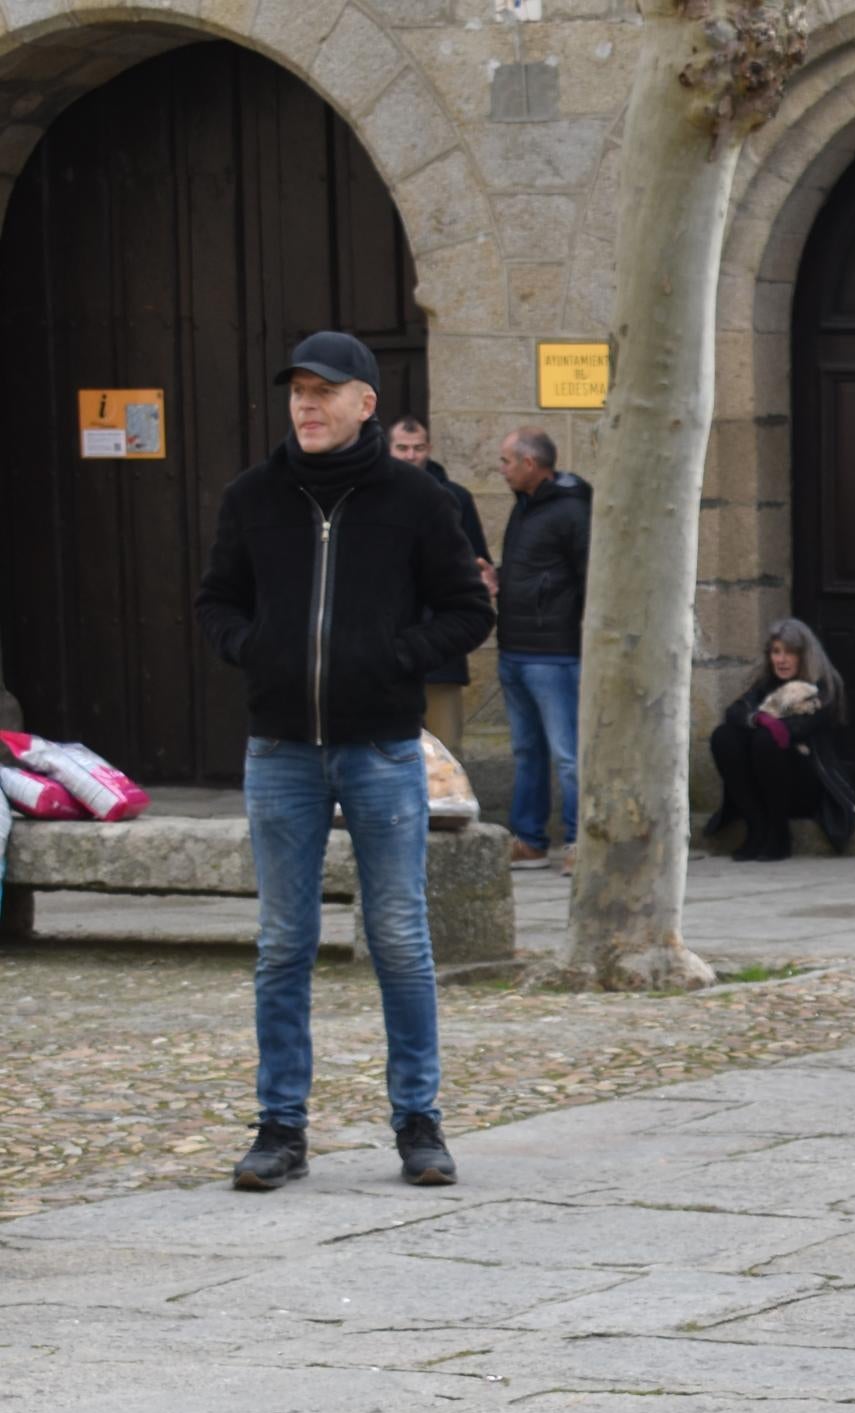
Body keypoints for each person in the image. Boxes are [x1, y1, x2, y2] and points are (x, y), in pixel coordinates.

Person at [195, 331, 492, 1192]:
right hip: (281, 749)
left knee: (399, 938)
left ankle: (419, 1123)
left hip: (381, 750)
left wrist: (393, 659)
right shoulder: (253, 497)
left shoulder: (415, 500)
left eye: (325, 391)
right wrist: (256, 650)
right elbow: (216, 600)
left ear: (366, 403)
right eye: (297, 390)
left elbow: (467, 608)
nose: (307, 404)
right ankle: (280, 1127)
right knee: (284, 943)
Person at [492, 427, 591, 868]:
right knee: (526, 751)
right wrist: (496, 577)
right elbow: (533, 571)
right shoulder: (524, 507)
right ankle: (530, 839)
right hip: (514, 648)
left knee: (567, 755)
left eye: (506, 461)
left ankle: (579, 842)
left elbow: (588, 577)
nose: (502, 469)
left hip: (554, 652)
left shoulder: (572, 511)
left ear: (530, 464)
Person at [704, 619, 855, 861]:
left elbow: (796, 729)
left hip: (807, 784)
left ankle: (779, 834)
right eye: (776, 652)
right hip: (763, 782)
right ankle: (756, 827)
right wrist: (759, 719)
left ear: (804, 656)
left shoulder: (823, 687)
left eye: (790, 653)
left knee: (766, 741)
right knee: (723, 737)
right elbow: (735, 711)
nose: (781, 659)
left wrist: (763, 722)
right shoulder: (766, 684)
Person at [387, 417, 490, 569]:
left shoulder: (457, 497)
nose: (411, 456)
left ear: (429, 449)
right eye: (402, 448)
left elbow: (477, 559)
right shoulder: (373, 495)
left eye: (419, 448)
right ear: (388, 449)